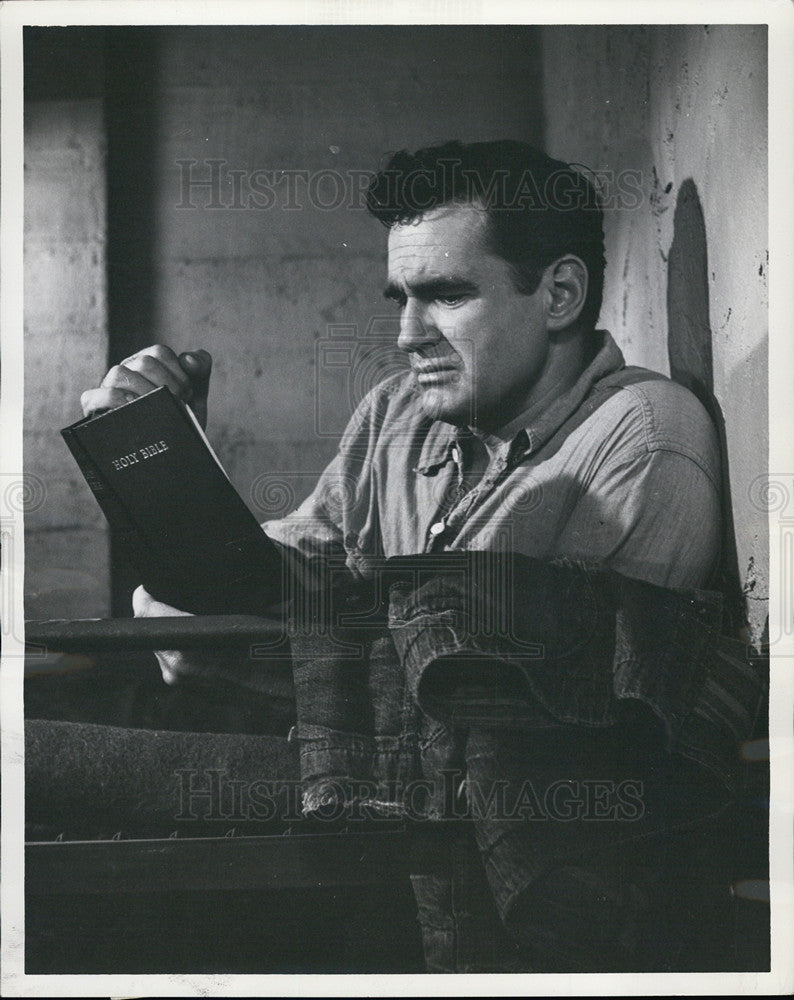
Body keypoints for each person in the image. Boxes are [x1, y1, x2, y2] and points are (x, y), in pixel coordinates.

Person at [78, 140, 728, 971]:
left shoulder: (644, 440)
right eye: (401, 298)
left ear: (560, 293)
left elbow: (530, 730)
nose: (406, 334)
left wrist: (228, 658)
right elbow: (287, 583)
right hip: (350, 801)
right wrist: (172, 468)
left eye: (446, 296)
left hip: (462, 855)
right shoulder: (400, 415)